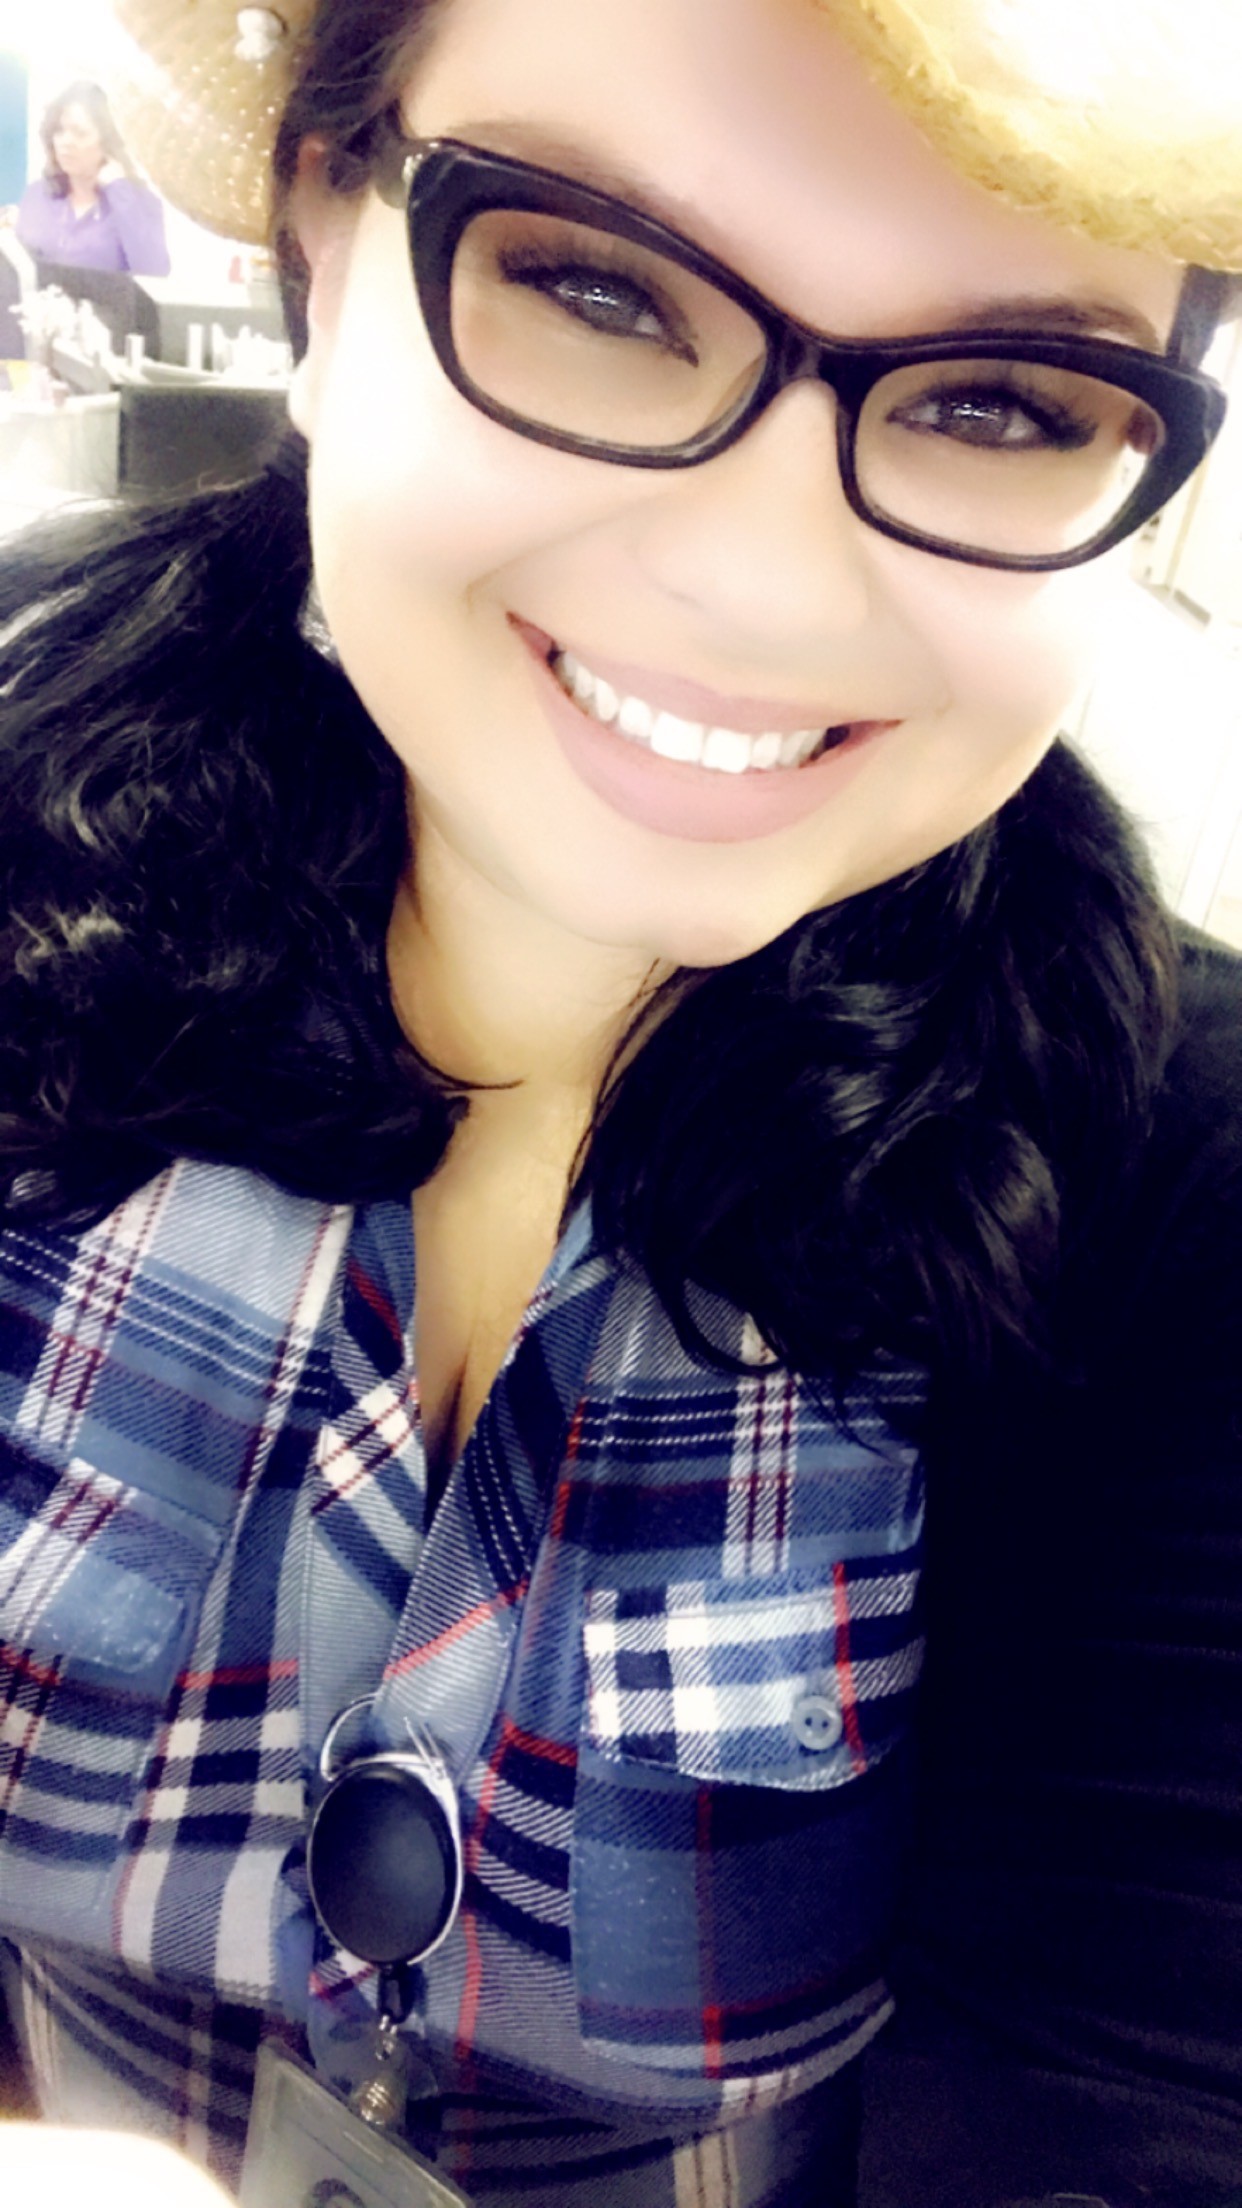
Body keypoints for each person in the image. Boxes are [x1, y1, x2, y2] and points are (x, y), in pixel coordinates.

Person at [0, 1, 1239, 2204]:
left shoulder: (1173, 1176)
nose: (757, 583)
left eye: (1003, 402)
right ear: (318, 245)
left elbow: (1126, 2101)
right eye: (589, 283)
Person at [16, 79, 170, 277]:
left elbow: (155, 274)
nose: (66, 142)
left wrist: (120, 191)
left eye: (80, 133)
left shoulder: (139, 203)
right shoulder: (39, 194)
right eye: (59, 131)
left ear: (107, 142)